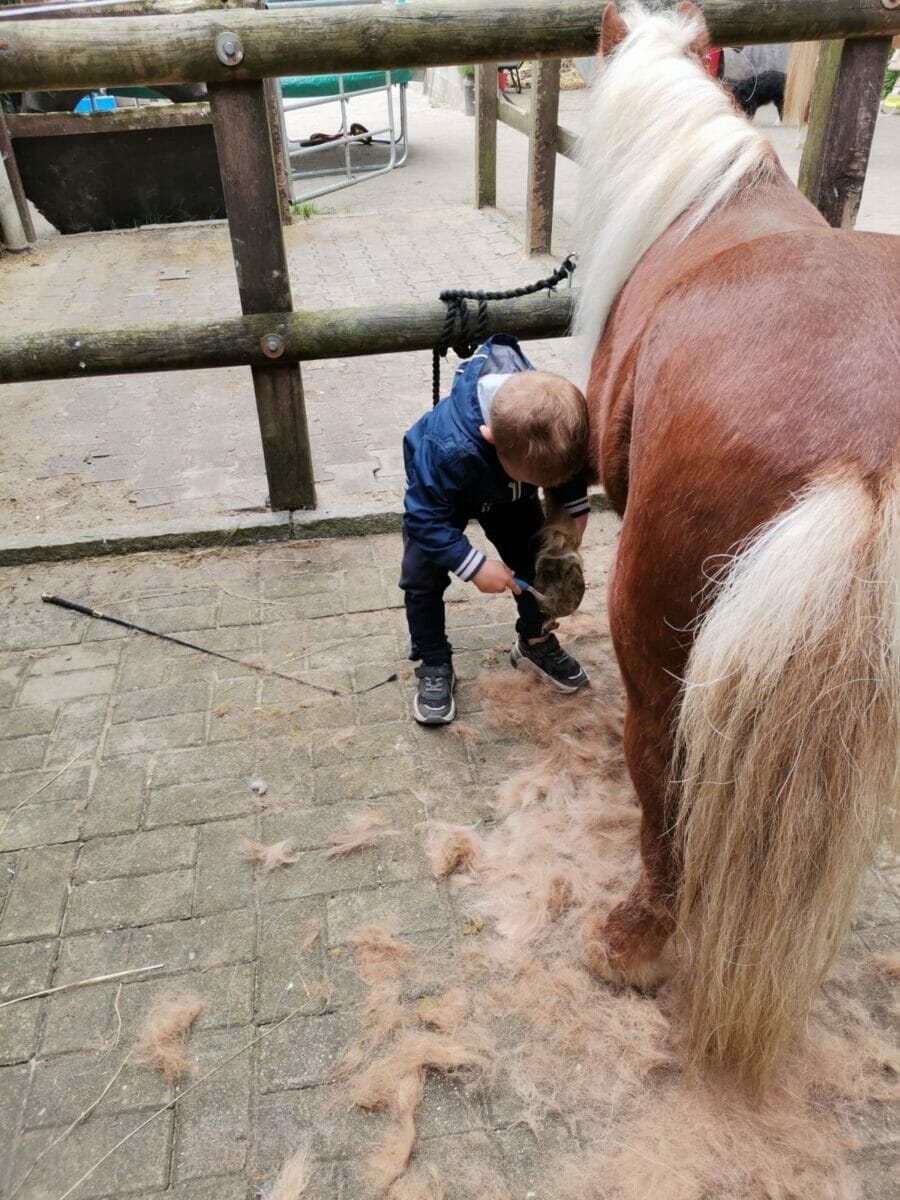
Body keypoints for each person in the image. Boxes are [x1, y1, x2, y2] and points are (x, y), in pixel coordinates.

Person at [400, 334, 591, 725]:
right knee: (422, 577)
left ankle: (534, 641)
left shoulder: (545, 413)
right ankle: (434, 659)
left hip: (509, 494)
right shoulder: (448, 447)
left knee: (531, 560)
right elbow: (423, 517)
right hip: (441, 500)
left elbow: (564, 462)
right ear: (491, 439)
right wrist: (471, 564)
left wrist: (573, 508)